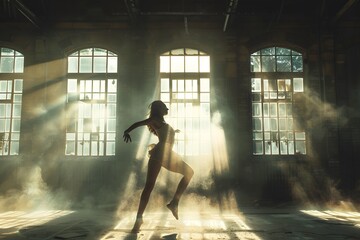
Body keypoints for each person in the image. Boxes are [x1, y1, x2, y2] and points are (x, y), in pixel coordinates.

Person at [123, 100, 194, 233]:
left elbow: (164, 135)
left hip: (166, 154)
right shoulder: (154, 119)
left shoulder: (162, 123)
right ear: (159, 109)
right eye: (164, 107)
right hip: (160, 154)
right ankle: (140, 219)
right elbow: (139, 123)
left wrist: (174, 132)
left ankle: (173, 203)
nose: (167, 108)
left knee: (188, 173)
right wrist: (127, 130)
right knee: (149, 186)